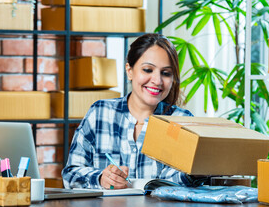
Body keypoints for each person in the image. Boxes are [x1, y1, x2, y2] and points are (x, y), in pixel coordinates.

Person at [62, 33, 195, 190]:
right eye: (147, 70)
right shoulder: (100, 113)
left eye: (166, 73)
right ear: (129, 70)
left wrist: (197, 173)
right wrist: (100, 179)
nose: (157, 81)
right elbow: (70, 175)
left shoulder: (182, 121)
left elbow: (180, 183)